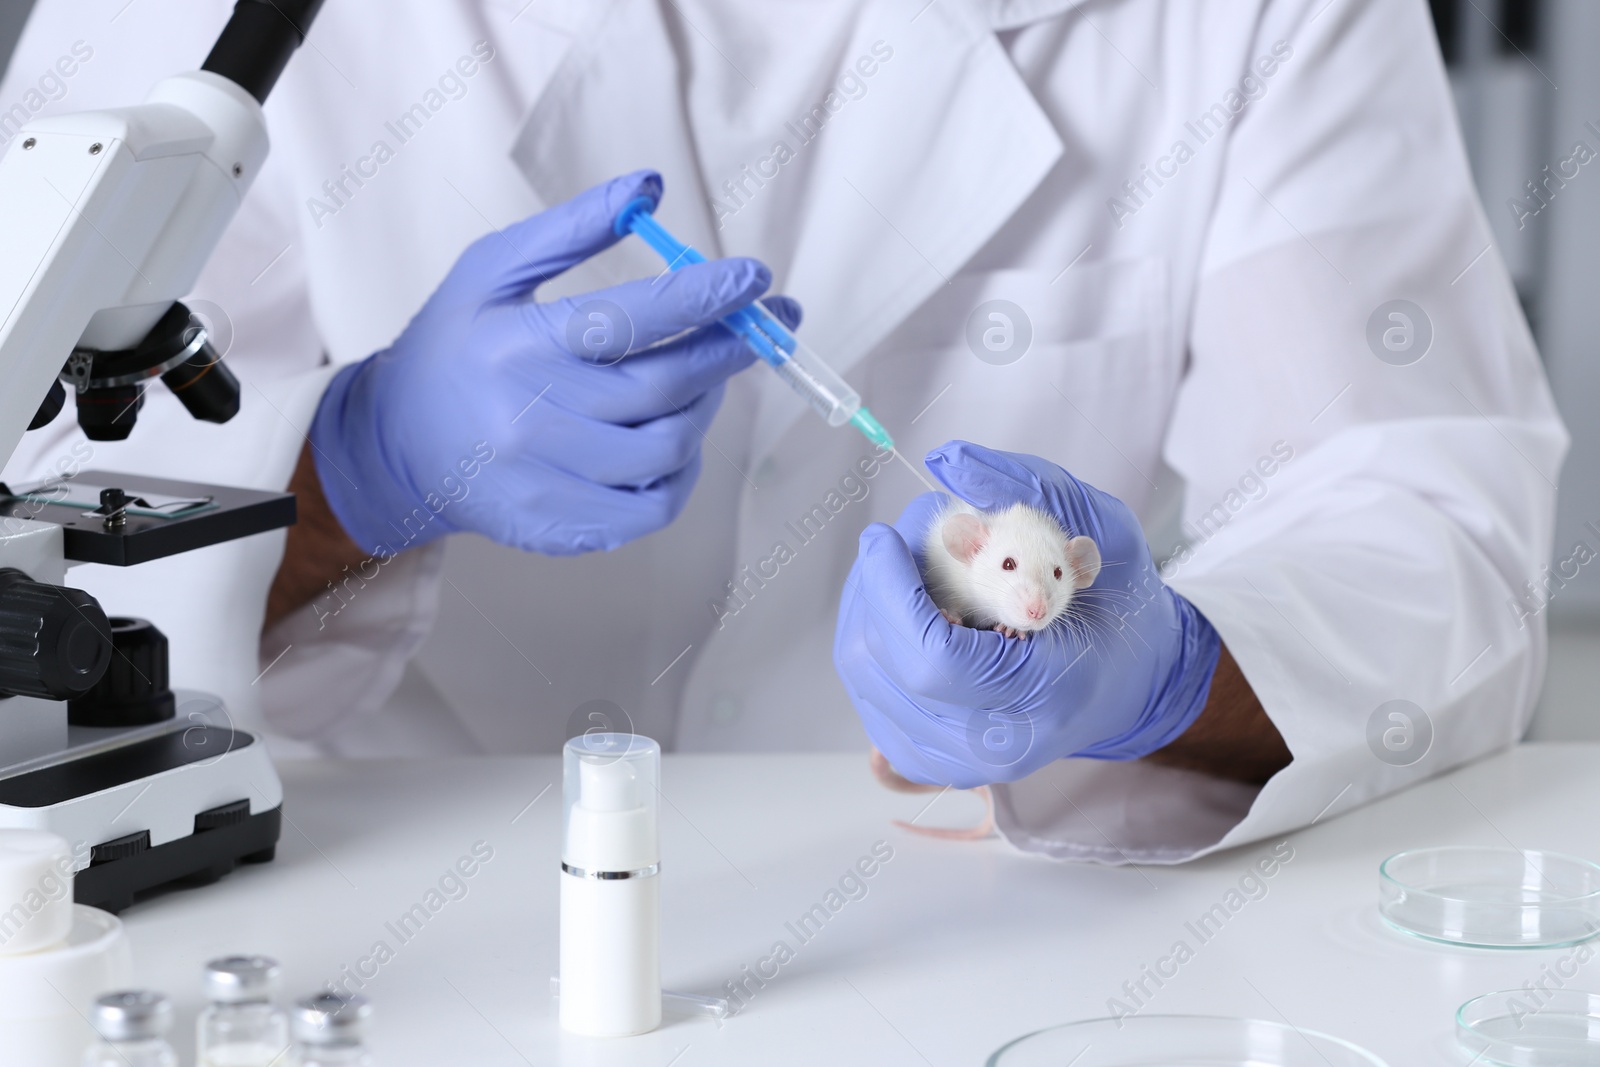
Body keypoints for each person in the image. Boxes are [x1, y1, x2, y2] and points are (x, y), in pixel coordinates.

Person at [0, 0, 1563, 864]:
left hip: (966, 924)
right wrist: (355, 472)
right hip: (358, 908)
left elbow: (1422, 517)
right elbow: (26, 511)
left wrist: (1150, 682)